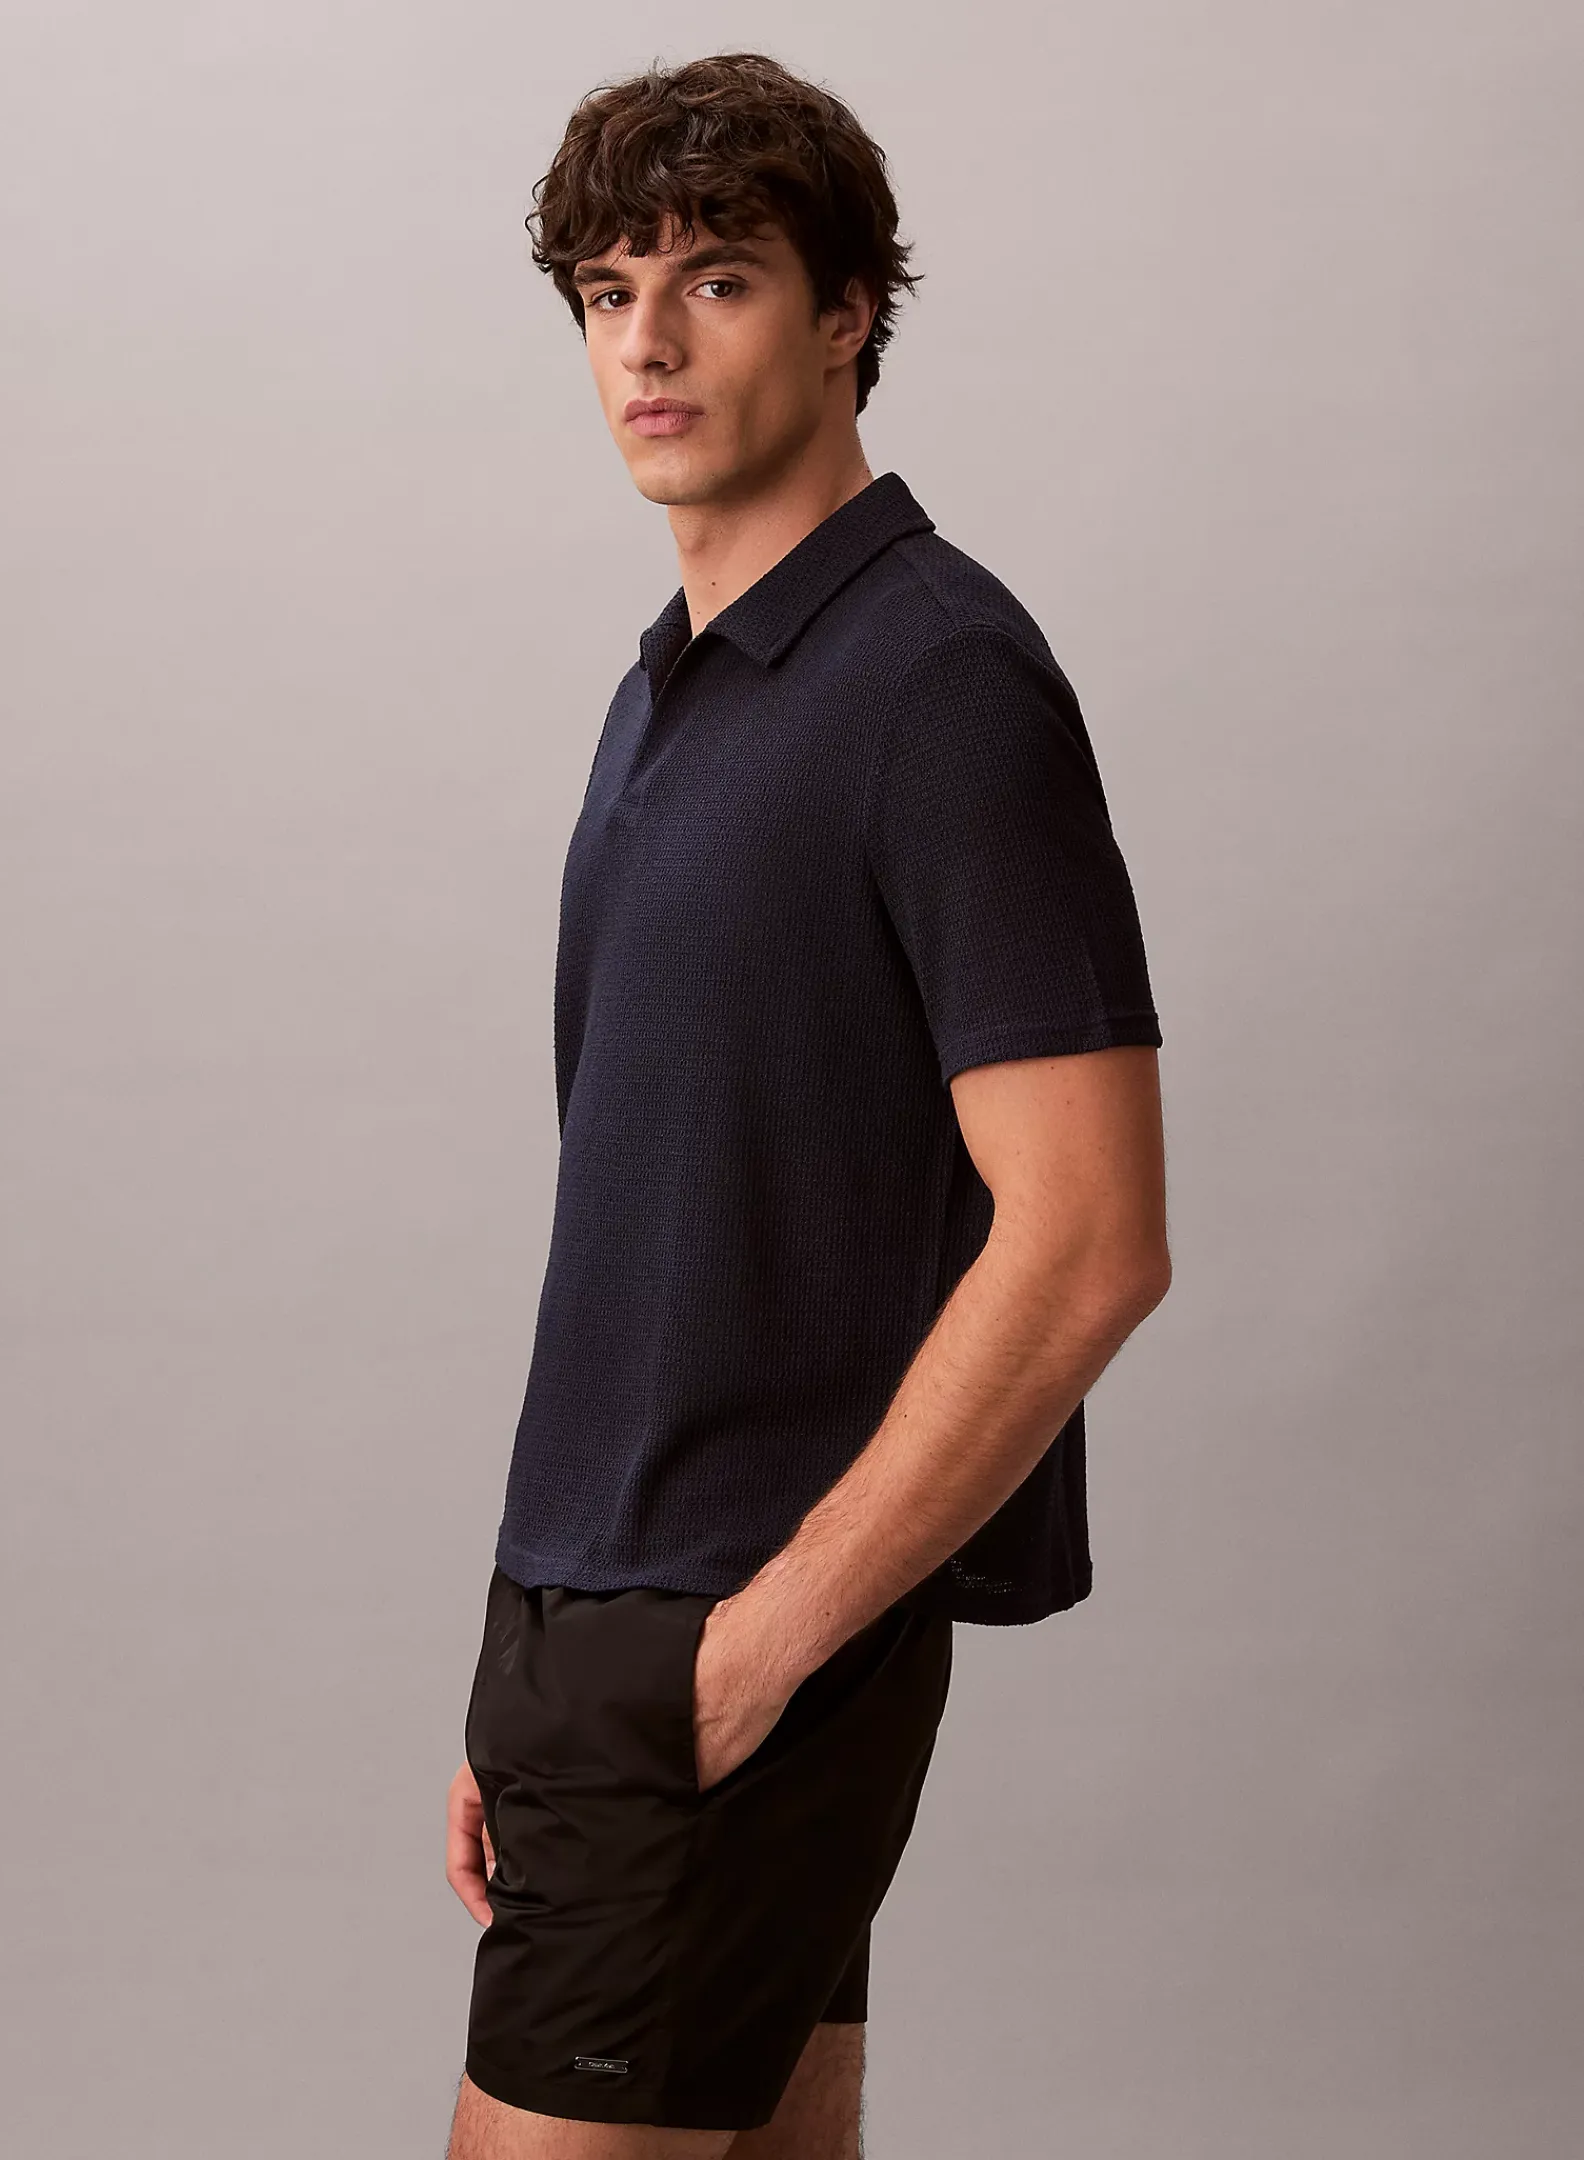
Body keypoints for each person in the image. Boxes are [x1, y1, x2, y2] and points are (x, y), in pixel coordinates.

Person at [443, 49, 1170, 2160]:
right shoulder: (670, 687)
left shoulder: (936, 681)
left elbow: (1090, 1238)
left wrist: (757, 1646)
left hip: (733, 1623)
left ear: (848, 312)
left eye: (718, 279)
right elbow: (665, 1225)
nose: (647, 344)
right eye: (607, 292)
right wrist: (538, 1658)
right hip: (608, 1608)